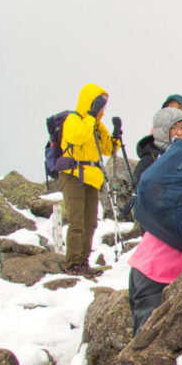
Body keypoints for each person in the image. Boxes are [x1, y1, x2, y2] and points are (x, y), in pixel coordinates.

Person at [127, 111, 182, 334]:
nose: (179, 133)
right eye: (174, 128)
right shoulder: (151, 164)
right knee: (145, 340)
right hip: (157, 271)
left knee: (143, 337)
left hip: (147, 262)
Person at [60, 83, 117, 278]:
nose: (103, 108)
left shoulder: (96, 125)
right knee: (76, 221)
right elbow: (77, 137)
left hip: (91, 176)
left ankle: (83, 261)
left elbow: (108, 149)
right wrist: (91, 116)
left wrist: (116, 135)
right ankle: (73, 263)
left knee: (90, 222)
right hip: (72, 174)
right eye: (100, 103)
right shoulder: (73, 120)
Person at [133, 107, 182, 190]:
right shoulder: (150, 160)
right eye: (174, 128)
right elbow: (141, 191)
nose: (179, 132)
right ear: (162, 131)